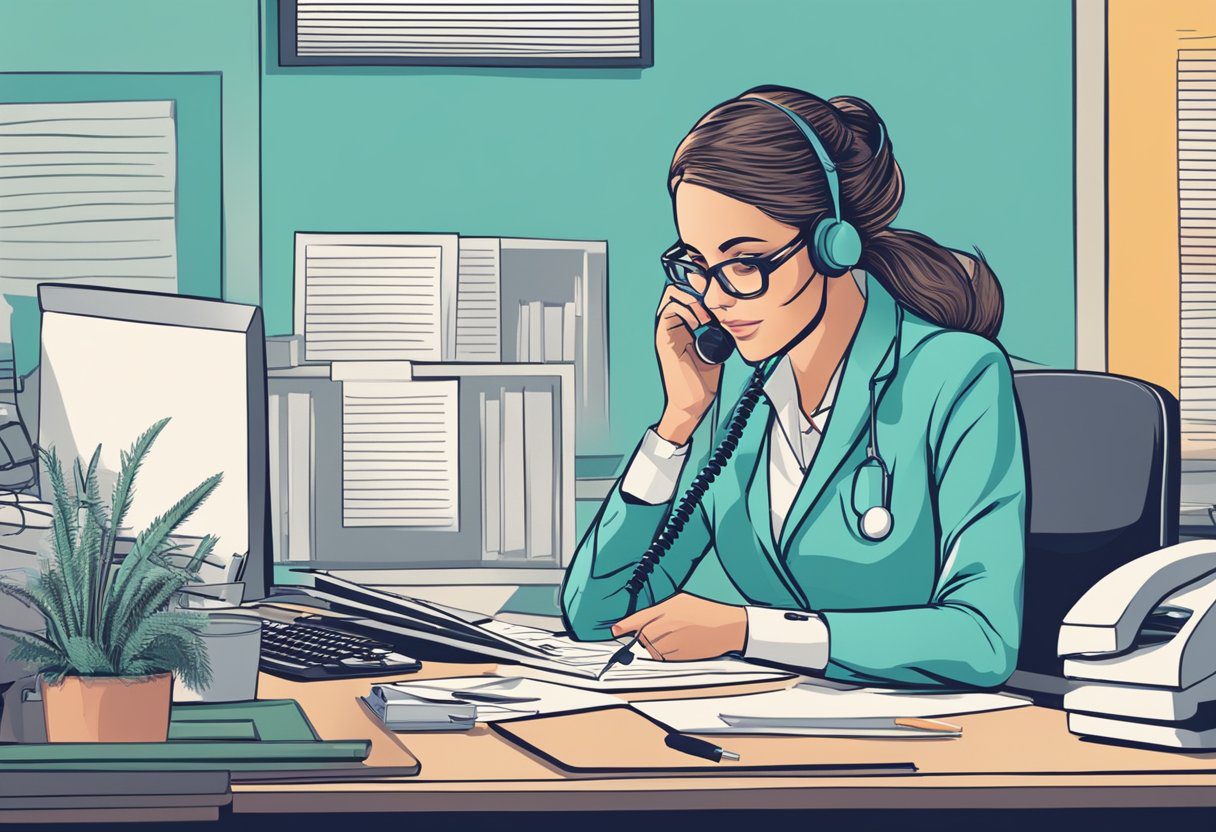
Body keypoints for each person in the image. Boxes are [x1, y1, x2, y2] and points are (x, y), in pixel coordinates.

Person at [560, 85, 1027, 690]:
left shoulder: (958, 376)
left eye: (744, 263)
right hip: (772, 736)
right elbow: (598, 614)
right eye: (697, 265)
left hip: (920, 746)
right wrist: (677, 423)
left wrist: (750, 632)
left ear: (834, 246)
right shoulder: (744, 399)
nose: (714, 296)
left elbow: (984, 640)